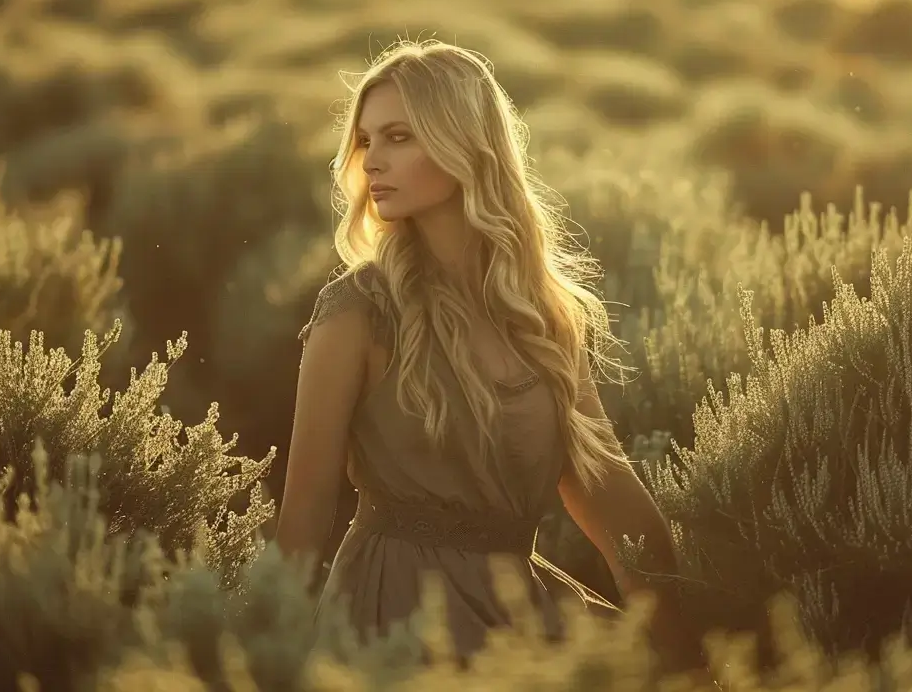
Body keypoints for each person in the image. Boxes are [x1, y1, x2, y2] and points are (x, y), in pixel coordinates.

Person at [274, 38, 710, 679]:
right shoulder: (356, 312)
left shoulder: (543, 317)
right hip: (392, 617)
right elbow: (305, 514)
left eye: (399, 136)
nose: (373, 162)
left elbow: (608, 496)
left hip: (515, 607)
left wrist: (685, 659)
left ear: (464, 144)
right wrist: (259, 658)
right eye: (367, 141)